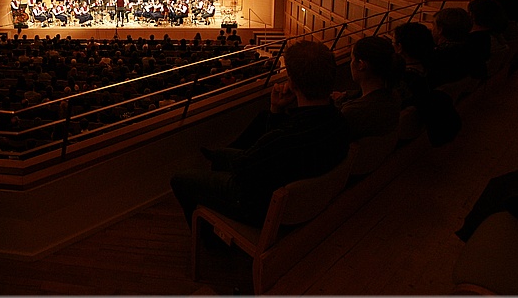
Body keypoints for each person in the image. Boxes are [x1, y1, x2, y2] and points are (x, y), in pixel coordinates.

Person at [170, 40, 349, 228]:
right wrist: (276, 110)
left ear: (293, 83)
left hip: (258, 206)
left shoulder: (282, 140)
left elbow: (242, 169)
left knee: (180, 180)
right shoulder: (339, 121)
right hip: (302, 199)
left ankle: (210, 237)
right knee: (220, 155)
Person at [333, 36, 400, 140]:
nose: (351, 64)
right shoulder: (394, 96)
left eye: (352, 59)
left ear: (361, 65)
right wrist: (344, 95)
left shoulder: (352, 113)